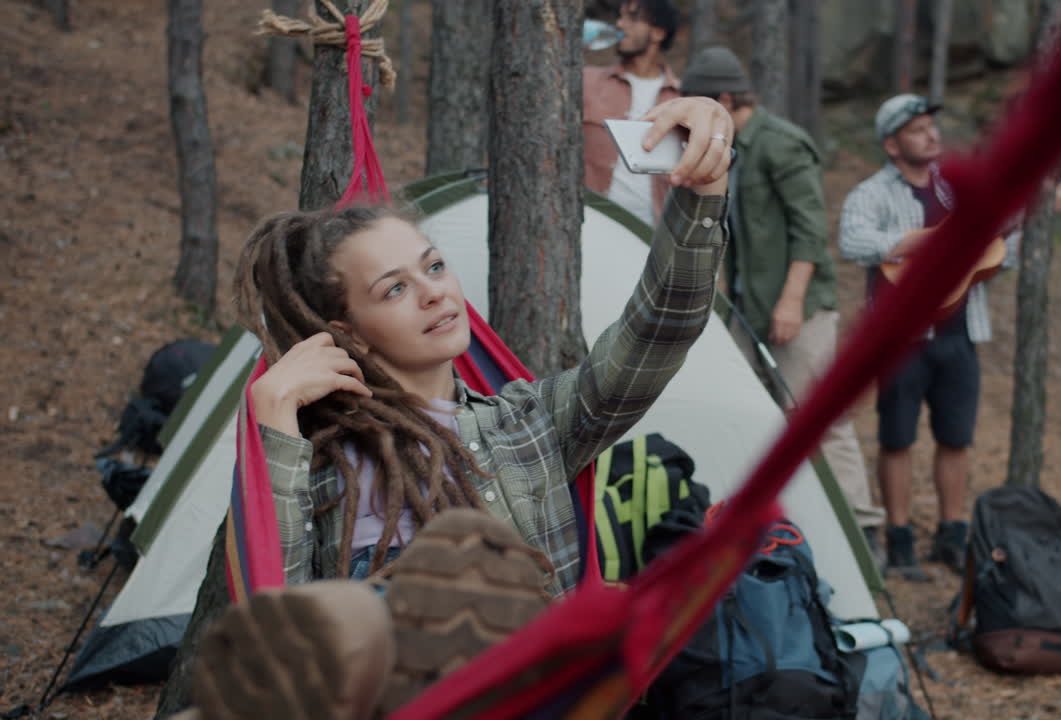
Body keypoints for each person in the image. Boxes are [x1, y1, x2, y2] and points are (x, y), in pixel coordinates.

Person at [178, 97, 733, 720]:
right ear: (350, 334)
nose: (434, 292)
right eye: (395, 289)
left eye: (434, 266)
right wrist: (275, 422)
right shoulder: (321, 463)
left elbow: (658, 332)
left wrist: (703, 196)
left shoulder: (531, 424)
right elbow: (278, 637)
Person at [680, 47, 886, 558]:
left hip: (799, 310)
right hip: (748, 312)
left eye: (700, 102)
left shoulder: (782, 144)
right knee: (752, 416)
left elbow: (810, 231)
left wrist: (792, 301)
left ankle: (863, 531)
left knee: (819, 419)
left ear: (725, 99)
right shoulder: (730, 148)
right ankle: (780, 523)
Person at [839, 94, 1016, 582]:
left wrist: (1004, 243)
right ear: (891, 144)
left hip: (961, 333)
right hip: (901, 339)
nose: (932, 135)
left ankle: (952, 535)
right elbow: (852, 240)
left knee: (956, 438)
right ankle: (899, 541)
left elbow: (1004, 250)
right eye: (918, 130)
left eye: (933, 127)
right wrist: (906, 243)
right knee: (897, 438)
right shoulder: (871, 193)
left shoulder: (959, 190)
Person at [583, 0, 682, 226]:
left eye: (632, 18)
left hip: (650, 235)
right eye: (620, 16)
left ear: (658, 32)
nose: (620, 24)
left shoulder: (681, 99)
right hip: (590, 225)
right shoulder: (586, 82)